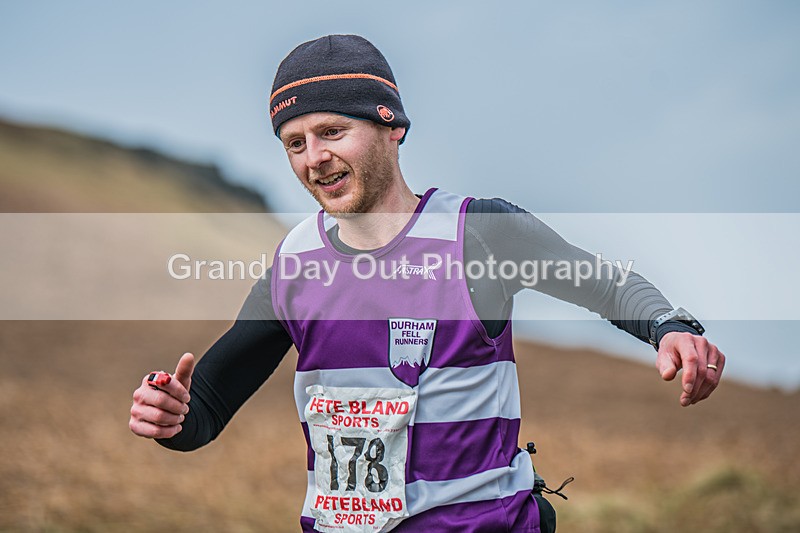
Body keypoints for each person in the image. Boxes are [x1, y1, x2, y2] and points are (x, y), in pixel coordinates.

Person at [130, 35, 725, 533]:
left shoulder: (478, 234)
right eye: (295, 142)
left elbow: (609, 285)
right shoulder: (296, 264)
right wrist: (171, 416)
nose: (314, 157)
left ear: (391, 127)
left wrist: (671, 328)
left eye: (333, 131)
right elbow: (205, 408)